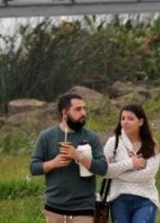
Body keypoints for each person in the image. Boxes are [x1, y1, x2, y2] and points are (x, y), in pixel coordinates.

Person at [30, 93, 108, 222]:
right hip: (54, 209)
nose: (83, 113)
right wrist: (54, 163)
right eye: (78, 109)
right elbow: (33, 168)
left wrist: (78, 156)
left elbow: (103, 168)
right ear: (65, 113)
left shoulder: (91, 137)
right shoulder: (46, 136)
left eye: (84, 108)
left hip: (84, 209)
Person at [104, 104, 160, 223]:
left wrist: (117, 173)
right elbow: (105, 171)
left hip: (146, 198)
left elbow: (148, 175)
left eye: (130, 118)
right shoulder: (112, 143)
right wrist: (131, 163)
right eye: (123, 118)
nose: (125, 122)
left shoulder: (151, 145)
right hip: (119, 198)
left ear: (140, 121)